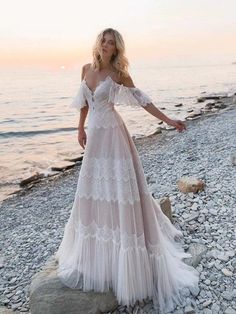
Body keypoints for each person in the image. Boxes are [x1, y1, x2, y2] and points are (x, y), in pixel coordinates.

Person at [55, 27, 199, 313]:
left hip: (114, 136)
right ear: (98, 44)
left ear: (117, 48)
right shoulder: (86, 69)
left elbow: (143, 100)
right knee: (92, 192)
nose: (107, 46)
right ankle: (96, 253)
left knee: (120, 192)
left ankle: (127, 258)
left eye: (112, 43)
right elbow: (85, 102)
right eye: (104, 41)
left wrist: (169, 120)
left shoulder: (119, 75)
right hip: (95, 136)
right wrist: (80, 129)